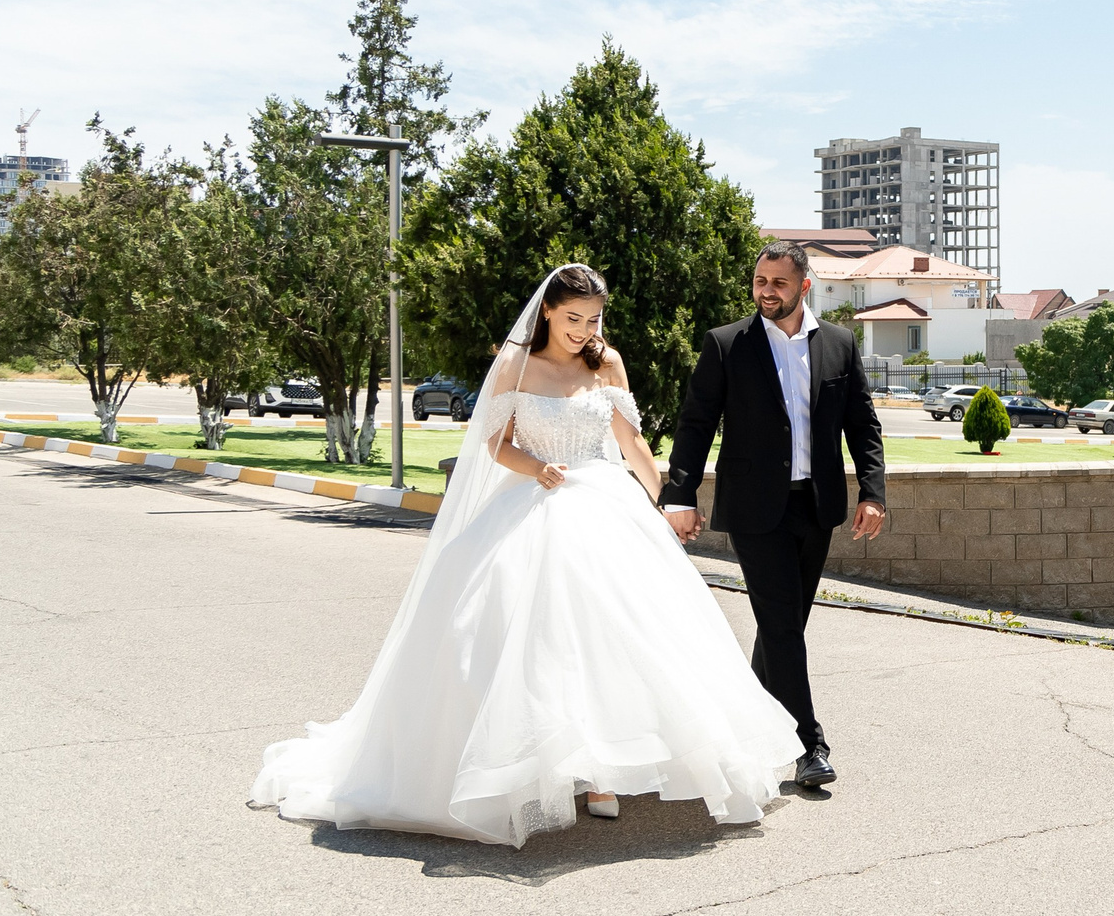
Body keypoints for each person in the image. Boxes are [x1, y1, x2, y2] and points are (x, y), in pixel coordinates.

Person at [250, 265, 804, 847]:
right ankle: (535, 767)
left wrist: (664, 501)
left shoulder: (607, 362)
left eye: (593, 320)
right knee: (536, 641)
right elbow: (494, 443)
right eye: (573, 319)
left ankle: (605, 775)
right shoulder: (516, 365)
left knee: (620, 636)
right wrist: (537, 468)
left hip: (607, 506)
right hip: (535, 502)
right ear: (547, 312)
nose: (584, 330)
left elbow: (631, 441)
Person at [661, 241, 887, 789]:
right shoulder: (725, 344)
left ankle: (745, 726)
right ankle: (809, 745)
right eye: (760, 281)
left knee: (782, 625)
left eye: (778, 283)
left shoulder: (839, 344)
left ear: (804, 286)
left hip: (817, 505)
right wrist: (679, 495)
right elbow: (696, 423)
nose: (766, 291)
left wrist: (872, 492)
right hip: (753, 507)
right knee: (782, 624)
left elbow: (862, 423)